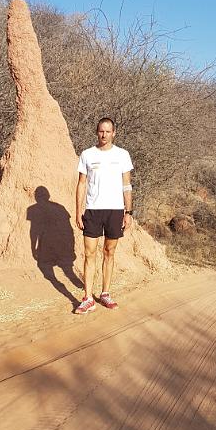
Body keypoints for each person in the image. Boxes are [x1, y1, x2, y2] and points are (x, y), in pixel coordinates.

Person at [75, 117, 133, 314]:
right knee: (89, 253)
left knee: (109, 251)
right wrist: (78, 211)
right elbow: (81, 184)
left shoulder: (122, 155)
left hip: (115, 210)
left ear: (114, 133)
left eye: (108, 131)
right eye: (101, 131)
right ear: (96, 132)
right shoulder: (87, 155)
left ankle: (105, 293)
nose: (104, 135)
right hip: (92, 210)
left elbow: (127, 185)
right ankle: (88, 298)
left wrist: (129, 211)